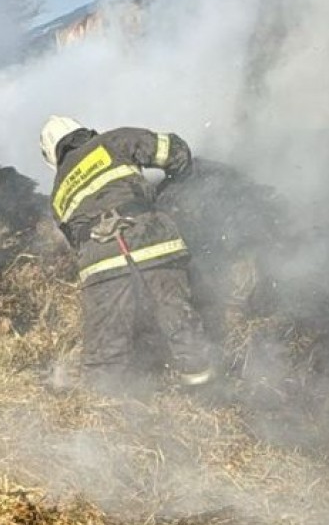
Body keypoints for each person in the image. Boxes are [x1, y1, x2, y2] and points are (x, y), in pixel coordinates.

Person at [39, 115, 217, 395]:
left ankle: (106, 422)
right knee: (181, 324)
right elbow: (176, 151)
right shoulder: (113, 141)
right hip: (153, 241)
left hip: (101, 265)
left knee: (105, 354)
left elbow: (76, 243)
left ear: (52, 156)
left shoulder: (57, 192)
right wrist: (169, 195)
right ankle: (207, 397)